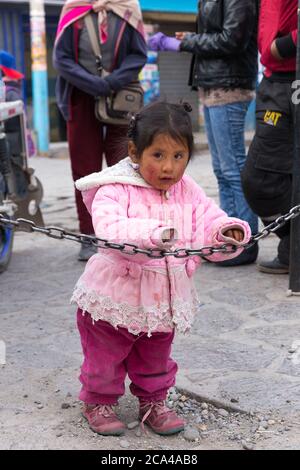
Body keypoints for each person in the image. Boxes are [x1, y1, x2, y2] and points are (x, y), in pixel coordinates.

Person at [70, 101, 251, 436]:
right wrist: (152, 235)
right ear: (135, 152)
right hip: (114, 297)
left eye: (178, 156)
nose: (169, 167)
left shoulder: (188, 190)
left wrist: (226, 231)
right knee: (104, 356)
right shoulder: (115, 187)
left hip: (161, 300)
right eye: (158, 155)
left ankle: (153, 401)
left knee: (155, 356)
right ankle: (99, 400)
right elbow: (110, 227)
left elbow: (208, 218)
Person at [148, 0, 259, 267]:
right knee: (221, 170)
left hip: (230, 85)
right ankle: (226, 238)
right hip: (211, 84)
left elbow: (232, 40)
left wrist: (187, 42)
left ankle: (244, 243)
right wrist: (191, 39)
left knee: (232, 168)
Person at [53, 0, 147, 261]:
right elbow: (61, 59)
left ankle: (123, 232)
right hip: (79, 97)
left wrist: (112, 82)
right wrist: (94, 84)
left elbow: (138, 54)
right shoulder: (74, 9)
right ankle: (89, 235)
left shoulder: (128, 8)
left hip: (121, 97)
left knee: (124, 165)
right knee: (84, 169)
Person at [241, 0, 297, 274]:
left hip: (290, 78)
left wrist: (283, 46)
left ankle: (293, 250)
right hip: (274, 81)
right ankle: (293, 247)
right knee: (263, 179)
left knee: (263, 178)